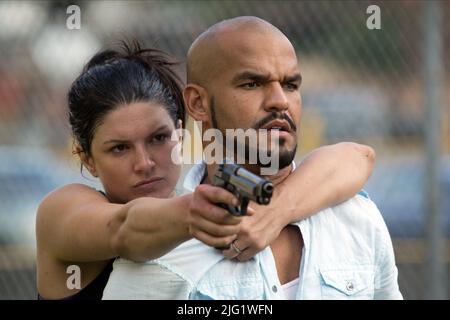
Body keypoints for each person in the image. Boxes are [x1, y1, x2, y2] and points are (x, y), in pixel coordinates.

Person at [36, 40, 373, 300]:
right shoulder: (62, 210)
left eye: (158, 138)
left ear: (180, 133)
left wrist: (277, 211)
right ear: (87, 158)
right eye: (119, 148)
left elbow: (357, 157)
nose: (145, 162)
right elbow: (122, 229)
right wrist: (193, 213)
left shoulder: (196, 209)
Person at [102, 17, 402, 300]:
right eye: (251, 84)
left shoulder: (358, 220)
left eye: (290, 85)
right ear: (197, 103)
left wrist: (278, 209)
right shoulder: (162, 253)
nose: (280, 102)